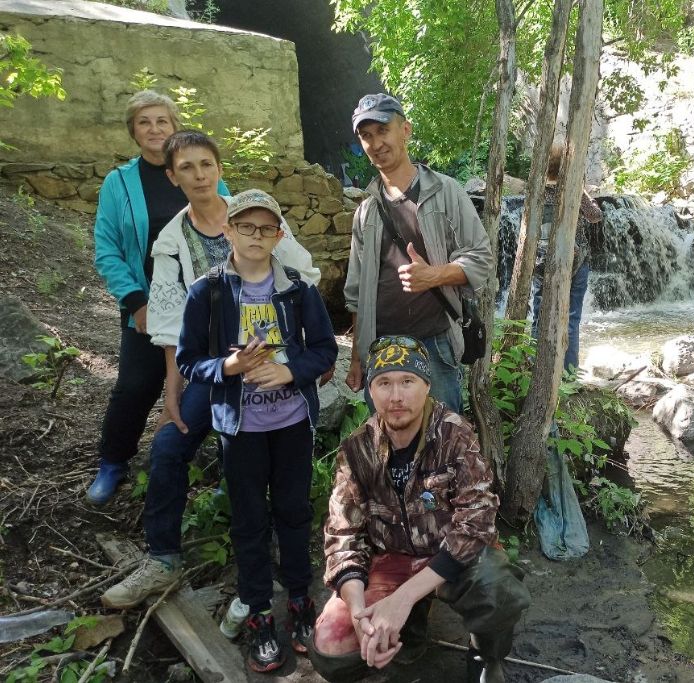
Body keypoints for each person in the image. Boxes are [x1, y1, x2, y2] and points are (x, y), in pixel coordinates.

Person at [100, 136, 318, 613]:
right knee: (169, 446)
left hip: (274, 370)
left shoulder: (256, 219)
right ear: (172, 176)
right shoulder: (172, 242)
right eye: (187, 167)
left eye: (206, 164)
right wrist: (173, 394)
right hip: (218, 370)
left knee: (282, 476)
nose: (199, 174)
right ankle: (162, 559)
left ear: (220, 169)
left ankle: (292, 568)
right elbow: (170, 325)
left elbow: (306, 278)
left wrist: (292, 363)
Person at [174, 191, 338, 671]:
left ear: (279, 237)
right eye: (247, 227)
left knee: (292, 511)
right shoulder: (209, 292)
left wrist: (291, 372)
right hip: (239, 428)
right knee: (248, 519)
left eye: (267, 229)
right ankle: (259, 613)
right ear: (228, 231)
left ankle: (301, 603)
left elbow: (325, 349)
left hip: (290, 424)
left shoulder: (296, 290)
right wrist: (227, 364)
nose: (256, 236)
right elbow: (188, 360)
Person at [311, 336, 530, 683]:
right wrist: (358, 614)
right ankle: (407, 634)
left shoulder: (454, 434)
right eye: (384, 383)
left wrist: (402, 599)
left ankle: (486, 653)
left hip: (451, 558)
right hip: (391, 559)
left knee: (498, 590)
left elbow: (476, 524)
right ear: (371, 390)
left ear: (426, 386)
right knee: (331, 649)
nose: (396, 396)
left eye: (407, 381)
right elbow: (343, 534)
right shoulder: (356, 450)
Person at [88, 91, 227, 506]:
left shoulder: (201, 170)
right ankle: (113, 462)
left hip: (210, 307)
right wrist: (136, 302)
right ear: (133, 131)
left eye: (161, 121)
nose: (154, 129)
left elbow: (228, 228)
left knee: (222, 384)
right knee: (135, 385)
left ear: (174, 125)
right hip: (147, 306)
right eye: (144, 122)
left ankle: (227, 467)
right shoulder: (119, 183)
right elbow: (107, 248)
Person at [343, 93, 493, 413]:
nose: (376, 143)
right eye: (366, 136)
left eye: (383, 131)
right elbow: (355, 292)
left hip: (434, 344)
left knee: (444, 444)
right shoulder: (366, 210)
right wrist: (357, 358)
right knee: (391, 446)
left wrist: (433, 276)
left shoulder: (446, 191)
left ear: (406, 131)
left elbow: (481, 257)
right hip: (380, 348)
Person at [530, 143, 603, 373]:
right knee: (571, 319)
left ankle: (535, 371)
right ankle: (569, 374)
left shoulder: (536, 191)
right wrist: (585, 191)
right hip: (575, 261)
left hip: (541, 262)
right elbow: (596, 216)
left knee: (539, 317)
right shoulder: (573, 190)